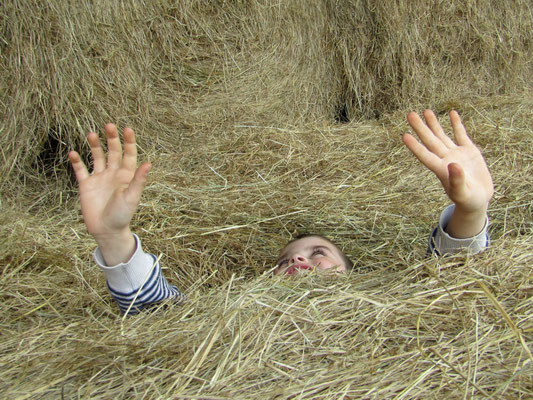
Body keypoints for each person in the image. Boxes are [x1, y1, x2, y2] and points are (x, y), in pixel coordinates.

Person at [68, 110, 493, 314]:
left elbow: (450, 284)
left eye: (318, 253)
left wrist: (471, 212)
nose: (297, 259)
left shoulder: (385, 307)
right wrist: (112, 238)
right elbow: (159, 317)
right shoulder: (237, 319)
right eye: (287, 259)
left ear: (352, 273)